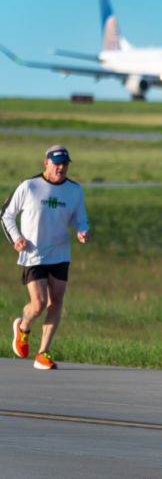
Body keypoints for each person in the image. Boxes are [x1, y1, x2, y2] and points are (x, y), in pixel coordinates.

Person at [2, 145, 90, 370]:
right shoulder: (29, 186)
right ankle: (23, 326)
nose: (61, 168)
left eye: (65, 164)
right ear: (46, 163)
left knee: (56, 302)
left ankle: (43, 353)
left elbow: (80, 219)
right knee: (39, 304)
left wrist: (82, 230)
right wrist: (16, 239)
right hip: (33, 253)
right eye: (57, 164)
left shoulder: (75, 191)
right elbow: (6, 215)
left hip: (60, 254)